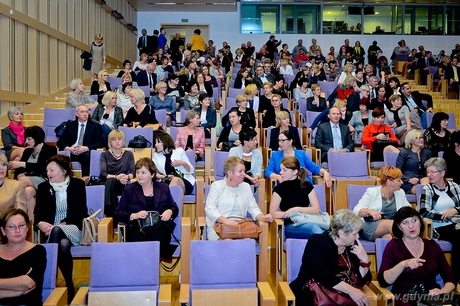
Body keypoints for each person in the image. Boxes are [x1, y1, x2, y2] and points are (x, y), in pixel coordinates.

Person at [289, 209, 372, 306]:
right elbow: (322, 275)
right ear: (341, 233)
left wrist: (365, 260)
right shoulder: (317, 242)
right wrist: (352, 291)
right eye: (354, 234)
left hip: (342, 295)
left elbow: (360, 282)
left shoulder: (352, 246)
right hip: (313, 293)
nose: (357, 237)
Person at [34, 154, 88, 299]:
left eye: (52, 170)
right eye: (47, 170)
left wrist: (62, 224)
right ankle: (69, 285)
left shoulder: (77, 184)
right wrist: (40, 223)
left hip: (73, 227)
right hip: (51, 231)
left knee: (57, 230)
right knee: (63, 245)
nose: (48, 173)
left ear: (63, 171)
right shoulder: (43, 187)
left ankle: (48, 282)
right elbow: (37, 215)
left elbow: (81, 211)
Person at [378, 207, 456, 306]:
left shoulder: (432, 246)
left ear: (420, 222)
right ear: (399, 226)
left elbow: (451, 279)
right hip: (404, 299)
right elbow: (383, 281)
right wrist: (403, 265)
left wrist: (442, 292)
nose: (411, 226)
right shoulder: (393, 246)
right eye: (405, 223)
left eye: (414, 220)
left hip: (431, 298)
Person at [114, 157, 179, 261]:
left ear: (152, 174)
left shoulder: (163, 187)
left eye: (143, 172)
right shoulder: (129, 189)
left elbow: (174, 207)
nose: (139, 175)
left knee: (159, 238)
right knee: (139, 242)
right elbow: (118, 212)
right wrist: (134, 215)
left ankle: (151, 271)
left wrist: (170, 211)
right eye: (138, 172)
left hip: (159, 227)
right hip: (138, 227)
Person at [205, 156, 272, 240]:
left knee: (247, 242)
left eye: (244, 171)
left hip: (240, 226)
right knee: (228, 242)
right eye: (240, 171)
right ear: (230, 173)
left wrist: (262, 217)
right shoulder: (217, 186)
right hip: (220, 227)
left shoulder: (246, 186)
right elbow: (210, 209)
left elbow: (253, 207)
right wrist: (226, 221)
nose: (244, 174)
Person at [419, 157, 460, 282]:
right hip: (438, 226)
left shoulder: (454, 186)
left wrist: (455, 210)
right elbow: (423, 212)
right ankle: (455, 278)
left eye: (433, 172)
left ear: (442, 173)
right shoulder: (428, 189)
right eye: (428, 172)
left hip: (456, 223)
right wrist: (444, 215)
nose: (429, 175)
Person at [269, 156, 324, 239]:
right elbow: (273, 213)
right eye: (281, 170)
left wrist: (296, 209)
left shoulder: (307, 186)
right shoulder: (278, 189)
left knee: (326, 229)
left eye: (284, 170)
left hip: (308, 220)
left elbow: (316, 209)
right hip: (292, 225)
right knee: (314, 228)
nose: (280, 172)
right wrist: (289, 214)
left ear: (295, 171)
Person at [9, 126, 57, 219]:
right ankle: (31, 226)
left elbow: (43, 167)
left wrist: (22, 164)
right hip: (28, 182)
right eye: (26, 138)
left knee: (21, 182)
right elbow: (18, 169)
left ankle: (19, 217)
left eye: (29, 139)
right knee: (28, 192)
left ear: (37, 138)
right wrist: (19, 174)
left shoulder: (50, 149)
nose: (26, 142)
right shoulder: (27, 151)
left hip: (44, 179)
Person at [0, 208, 46, 305]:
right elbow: (24, 284)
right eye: (12, 227)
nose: (17, 230)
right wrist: (17, 290)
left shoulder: (38, 251)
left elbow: (28, 283)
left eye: (21, 225)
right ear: (3, 230)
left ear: (27, 228)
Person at [353, 166, 410, 241]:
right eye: (399, 180)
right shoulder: (372, 192)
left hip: (389, 228)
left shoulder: (400, 193)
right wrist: (370, 211)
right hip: (370, 225)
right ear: (389, 181)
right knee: (392, 224)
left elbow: (408, 211)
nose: (402, 182)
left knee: (388, 238)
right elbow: (355, 211)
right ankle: (409, 245)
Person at [265, 130, 332, 186]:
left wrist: (325, 173)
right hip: (285, 186)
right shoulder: (275, 155)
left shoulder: (301, 154)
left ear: (290, 141)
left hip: (302, 185)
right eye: (279, 140)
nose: (280, 143)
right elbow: (267, 172)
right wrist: (279, 177)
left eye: (283, 140)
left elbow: (315, 168)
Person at [57, 104, 104, 177]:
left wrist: (86, 148)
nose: (85, 114)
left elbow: (100, 142)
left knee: (87, 155)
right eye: (82, 112)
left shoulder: (95, 126)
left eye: (87, 112)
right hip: (71, 151)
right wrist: (69, 148)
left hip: (85, 152)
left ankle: (86, 180)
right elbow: (60, 142)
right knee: (60, 156)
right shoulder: (70, 125)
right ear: (76, 114)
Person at [98, 130, 135, 217]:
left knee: (113, 184)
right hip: (105, 182)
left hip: (122, 183)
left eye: (119, 139)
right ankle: (114, 218)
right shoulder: (104, 155)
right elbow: (103, 173)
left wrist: (126, 177)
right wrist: (116, 177)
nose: (117, 141)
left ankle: (106, 207)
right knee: (112, 187)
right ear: (110, 142)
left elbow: (133, 172)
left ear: (123, 141)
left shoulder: (129, 154)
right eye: (114, 139)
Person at [396, 130, 431, 194]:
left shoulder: (427, 153)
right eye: (417, 138)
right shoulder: (404, 152)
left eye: (422, 137)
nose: (421, 140)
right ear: (411, 140)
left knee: (426, 182)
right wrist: (408, 179)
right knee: (422, 190)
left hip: (422, 179)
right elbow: (397, 171)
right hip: (407, 181)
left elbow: (431, 168)